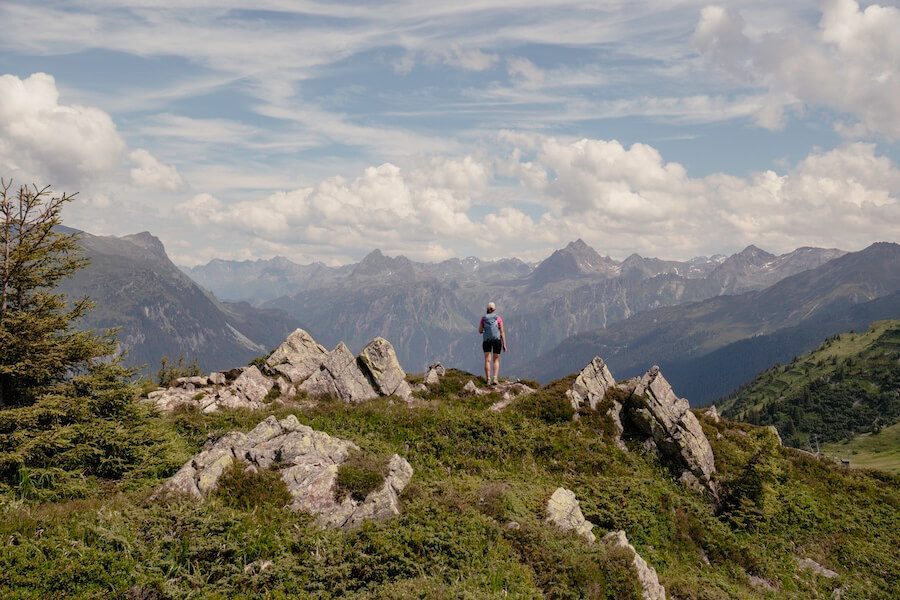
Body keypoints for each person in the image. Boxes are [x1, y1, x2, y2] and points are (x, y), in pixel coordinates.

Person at [478, 301, 507, 385]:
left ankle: (488, 379)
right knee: (496, 360)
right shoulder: (498, 318)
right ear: (494, 309)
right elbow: (502, 332)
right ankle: (495, 379)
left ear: (487, 309)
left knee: (487, 360)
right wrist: (504, 344)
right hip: (496, 340)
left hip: (486, 341)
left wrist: (485, 329)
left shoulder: (483, 319)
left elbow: (480, 331)